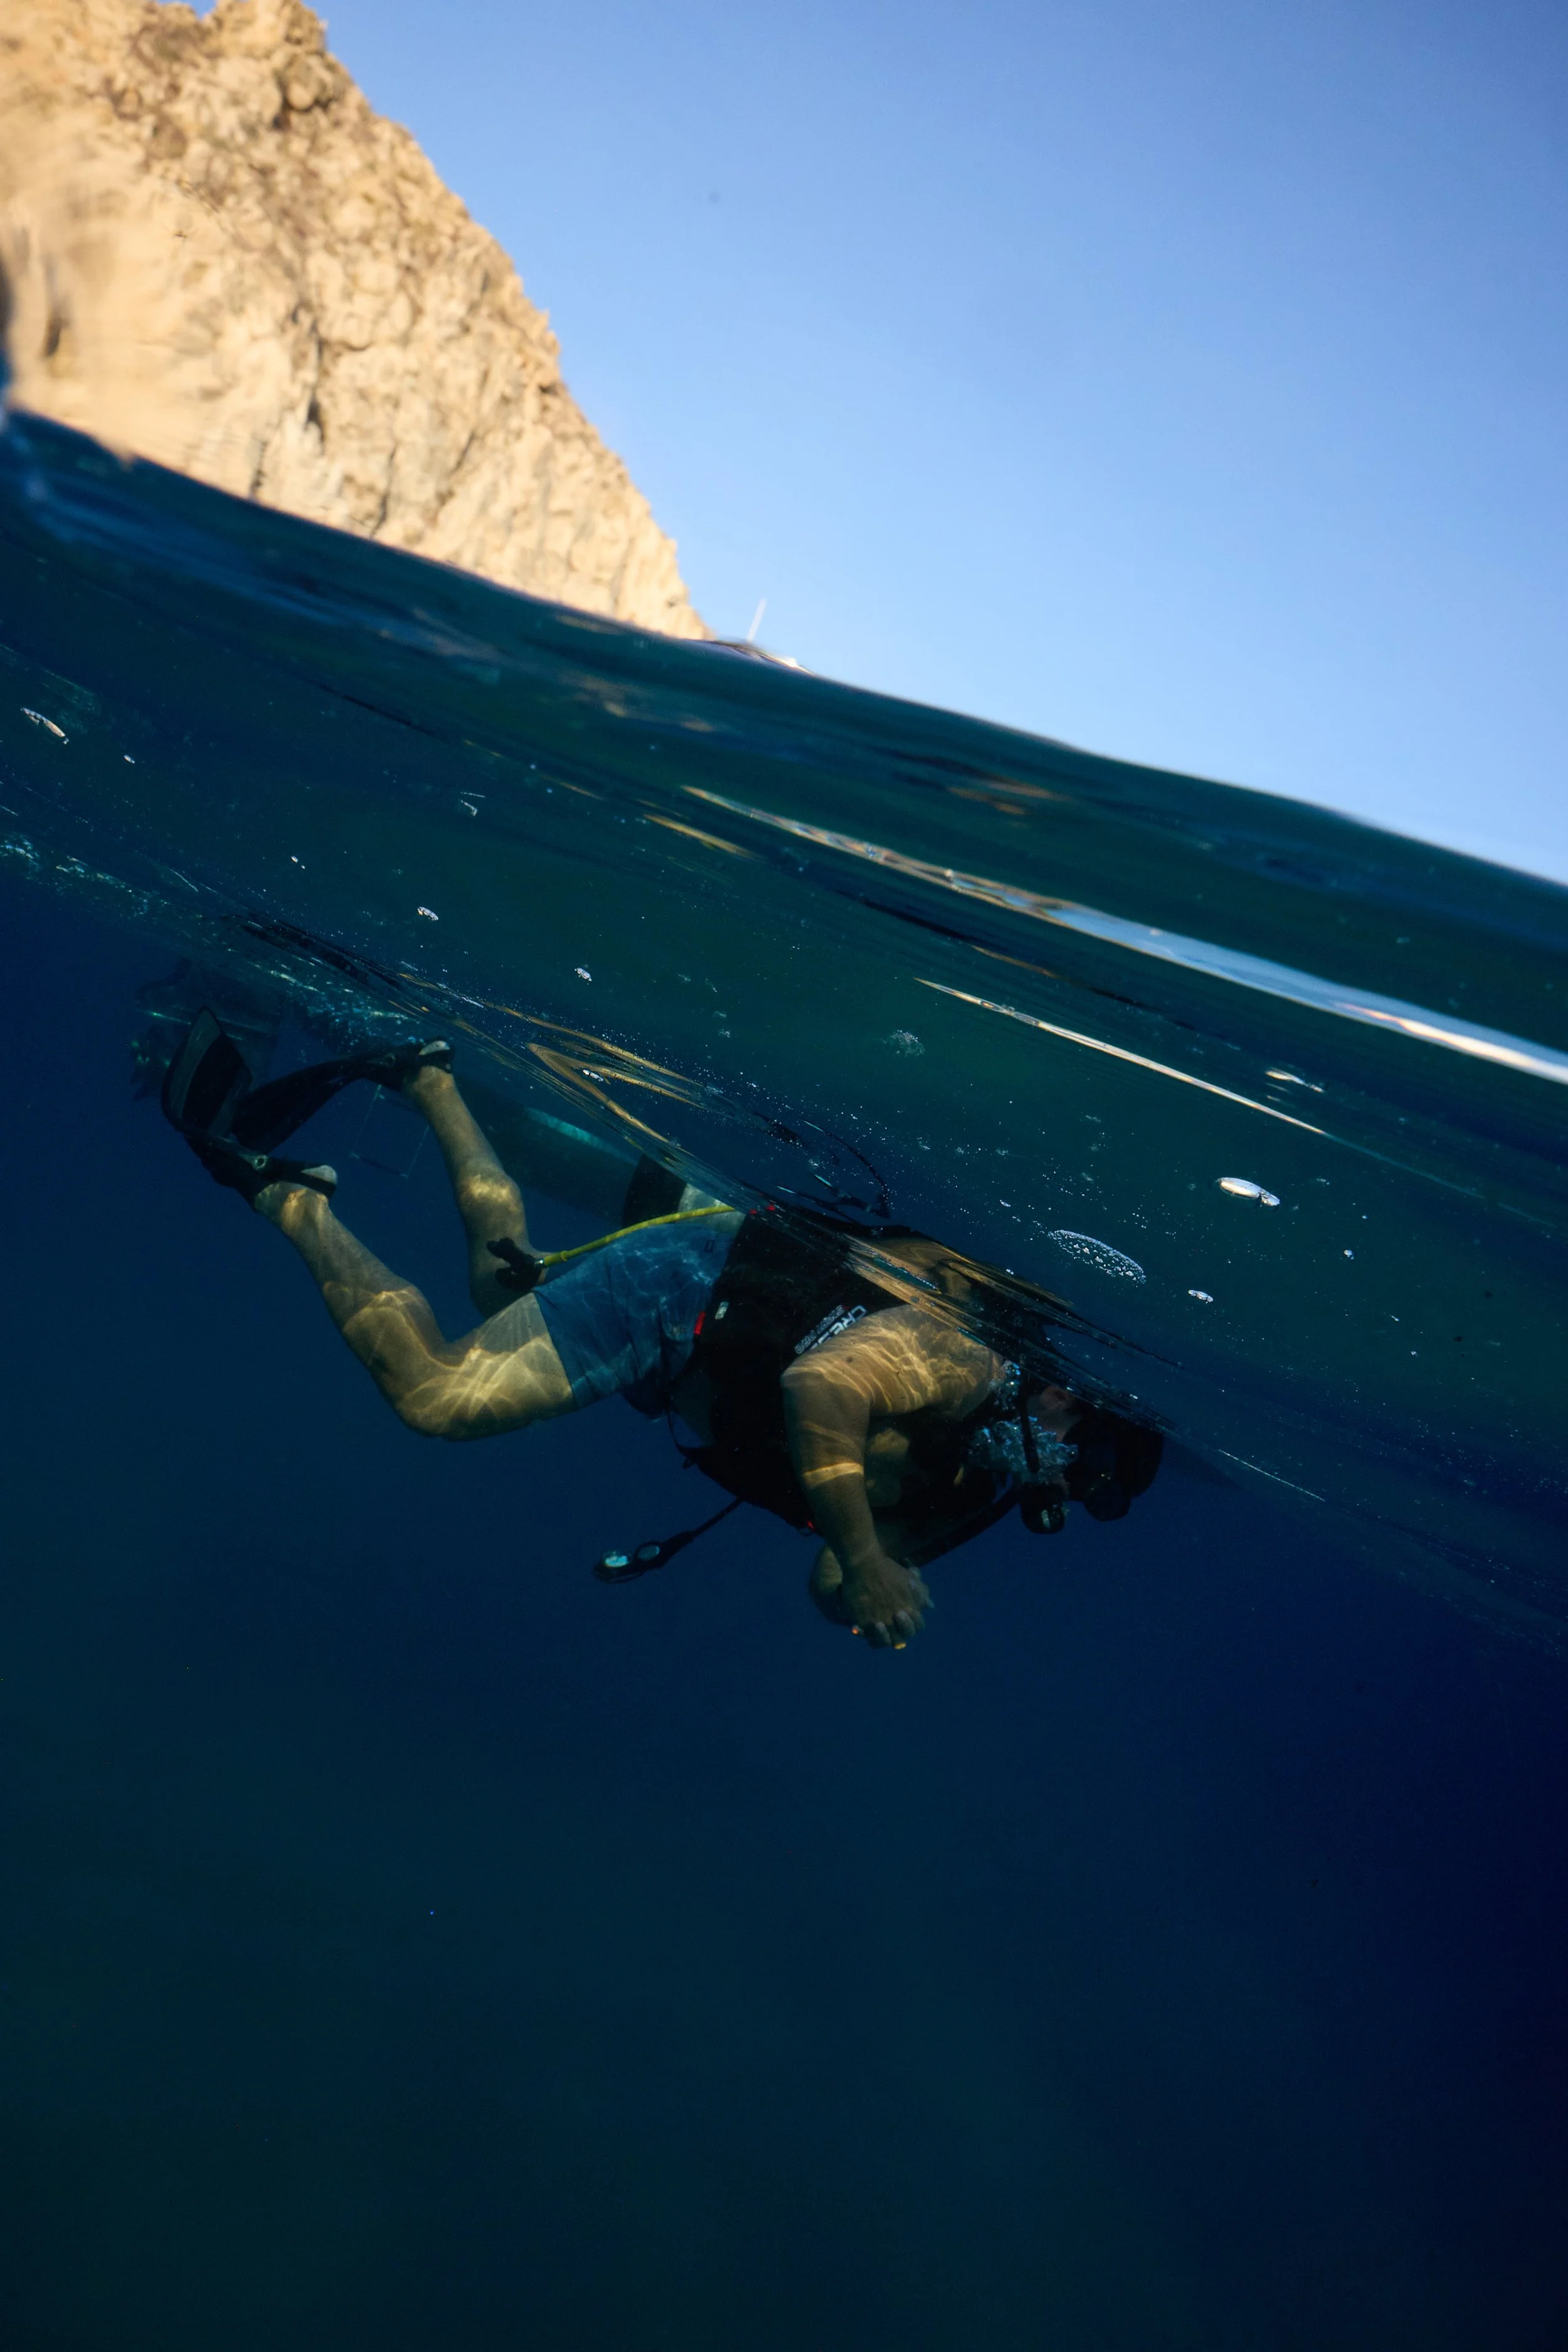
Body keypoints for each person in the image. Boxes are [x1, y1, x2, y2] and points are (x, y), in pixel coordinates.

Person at [161, 1013, 1162, 1649]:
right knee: (440, 1397)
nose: (1063, 1475)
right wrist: (867, 1560)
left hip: (694, 1344)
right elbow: (822, 1387)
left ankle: (428, 1080)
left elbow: (833, 1580)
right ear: (1066, 1394)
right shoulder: (963, 1355)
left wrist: (881, 1577)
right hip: (691, 1290)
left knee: (497, 1288)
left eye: (1085, 1490)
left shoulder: (975, 1483)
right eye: (1082, 1448)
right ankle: (287, 1197)